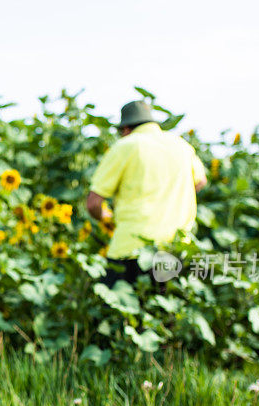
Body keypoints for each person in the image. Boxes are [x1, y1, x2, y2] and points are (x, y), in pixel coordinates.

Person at [86, 100, 207, 287]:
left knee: (119, 310)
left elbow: (93, 203)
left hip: (131, 249)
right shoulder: (181, 146)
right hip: (174, 248)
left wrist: (105, 217)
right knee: (165, 312)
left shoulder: (125, 146)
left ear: (125, 129)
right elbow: (200, 181)